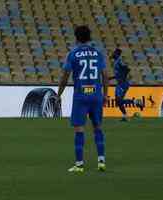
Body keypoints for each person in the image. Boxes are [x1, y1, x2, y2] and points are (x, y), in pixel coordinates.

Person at [57, 25, 108, 173]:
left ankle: (79, 165)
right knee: (98, 127)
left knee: (79, 129)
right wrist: (105, 95)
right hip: (96, 95)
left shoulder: (73, 54)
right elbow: (105, 75)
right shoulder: (98, 54)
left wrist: (59, 94)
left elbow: (65, 77)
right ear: (89, 37)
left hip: (81, 96)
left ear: (76, 37)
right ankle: (101, 162)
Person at [110, 48, 143, 122]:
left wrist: (123, 78)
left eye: (114, 53)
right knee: (118, 101)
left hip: (123, 83)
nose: (112, 54)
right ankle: (126, 114)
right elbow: (119, 74)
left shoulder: (119, 61)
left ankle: (135, 104)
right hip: (120, 83)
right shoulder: (116, 62)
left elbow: (127, 69)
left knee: (118, 100)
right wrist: (111, 78)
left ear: (117, 54)